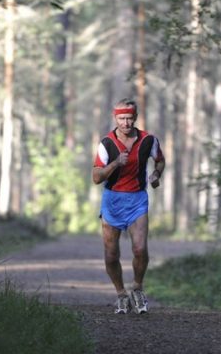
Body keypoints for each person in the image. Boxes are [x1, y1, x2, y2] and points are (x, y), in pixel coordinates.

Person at [92, 98, 165, 314]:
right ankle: (121, 294)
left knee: (140, 249)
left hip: (137, 200)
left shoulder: (148, 140)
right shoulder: (106, 144)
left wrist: (156, 174)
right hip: (112, 201)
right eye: (122, 118)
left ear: (135, 118)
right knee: (111, 255)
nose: (125, 123)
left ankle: (138, 288)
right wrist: (116, 163)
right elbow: (96, 177)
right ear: (115, 118)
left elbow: (160, 160)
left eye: (129, 118)